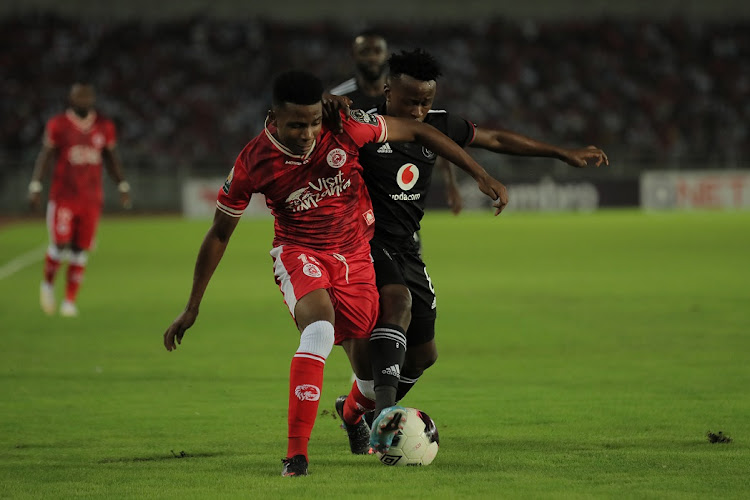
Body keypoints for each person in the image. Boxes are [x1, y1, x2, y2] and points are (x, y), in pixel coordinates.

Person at [162, 70, 508, 477]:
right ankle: (296, 455)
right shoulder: (253, 162)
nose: (307, 132)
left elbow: (416, 130)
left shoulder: (345, 126)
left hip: (356, 257)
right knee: (320, 329)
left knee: (366, 373)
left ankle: (350, 412)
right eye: (296, 124)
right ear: (273, 116)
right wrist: (192, 306)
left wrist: (480, 174)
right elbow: (220, 233)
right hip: (300, 253)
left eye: (312, 121)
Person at [337, 49, 609, 453]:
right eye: (410, 101)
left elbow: (495, 139)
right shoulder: (363, 125)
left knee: (423, 356)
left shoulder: (438, 124)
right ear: (389, 90)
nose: (418, 110)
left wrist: (559, 152)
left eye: (425, 101)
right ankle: (385, 422)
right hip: (363, 241)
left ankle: (353, 410)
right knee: (397, 303)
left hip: (407, 247)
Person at [330, 31, 463, 216]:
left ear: (386, 55)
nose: (372, 57)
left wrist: (451, 184)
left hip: (402, 191)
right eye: (365, 51)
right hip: (356, 195)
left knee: (406, 238)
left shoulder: (405, 92)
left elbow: (434, 135)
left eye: (377, 51)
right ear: (354, 55)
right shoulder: (339, 98)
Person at [29, 82, 131, 317]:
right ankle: (47, 285)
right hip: (63, 196)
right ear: (71, 100)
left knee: (79, 249)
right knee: (60, 244)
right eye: (79, 97)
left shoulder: (104, 126)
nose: (84, 101)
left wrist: (122, 185)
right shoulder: (59, 125)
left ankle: (69, 301)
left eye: (87, 97)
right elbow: (46, 155)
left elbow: (111, 157)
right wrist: (36, 185)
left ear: (93, 99)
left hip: (91, 199)